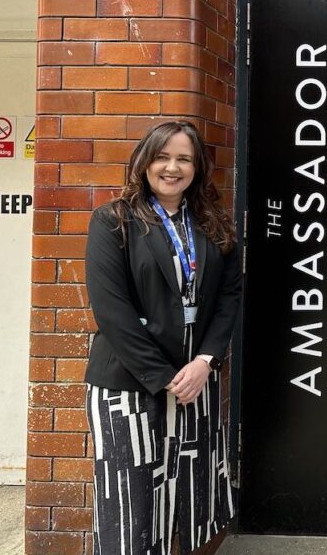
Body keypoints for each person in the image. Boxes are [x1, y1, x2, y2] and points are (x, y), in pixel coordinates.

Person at [84, 120, 241, 555]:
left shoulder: (213, 224)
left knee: (190, 500)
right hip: (129, 386)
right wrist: (168, 378)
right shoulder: (112, 221)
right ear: (144, 161)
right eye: (163, 156)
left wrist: (205, 362)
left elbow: (229, 299)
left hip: (196, 384)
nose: (172, 167)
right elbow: (111, 313)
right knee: (130, 505)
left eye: (184, 159)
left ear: (197, 167)